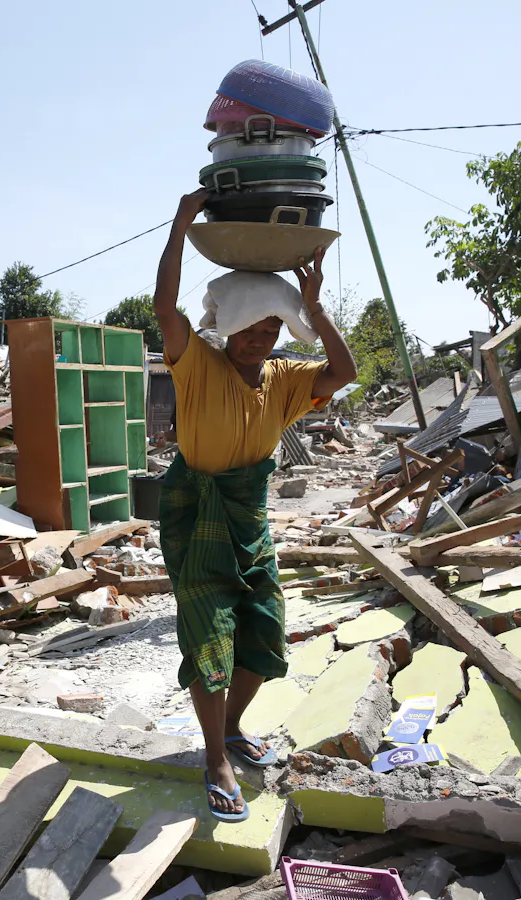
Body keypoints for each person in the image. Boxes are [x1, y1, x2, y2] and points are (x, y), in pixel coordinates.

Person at [153, 189, 357, 822]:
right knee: (209, 637)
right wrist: (183, 224)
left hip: (249, 515)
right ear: (231, 328)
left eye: (272, 329)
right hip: (196, 509)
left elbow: (344, 370)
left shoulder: (286, 381)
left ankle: (232, 726)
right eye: (252, 328)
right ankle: (214, 757)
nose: (261, 340)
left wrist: (314, 310)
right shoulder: (196, 363)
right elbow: (164, 305)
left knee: (263, 631)